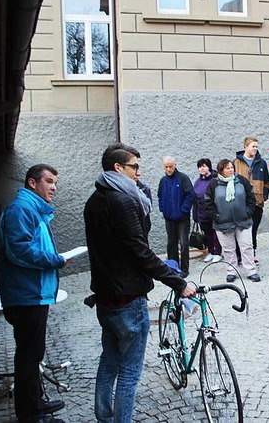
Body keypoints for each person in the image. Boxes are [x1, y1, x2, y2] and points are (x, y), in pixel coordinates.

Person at [84, 145, 196, 423]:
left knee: (109, 360)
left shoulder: (95, 199)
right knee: (130, 371)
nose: (139, 172)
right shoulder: (121, 201)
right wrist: (178, 283)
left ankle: (104, 417)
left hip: (106, 295)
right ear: (118, 168)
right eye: (135, 166)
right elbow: (140, 251)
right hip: (127, 297)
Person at [0, 164, 67, 423]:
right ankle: (30, 415)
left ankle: (37, 404)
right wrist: (54, 260)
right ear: (32, 183)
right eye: (49, 181)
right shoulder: (22, 209)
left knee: (32, 354)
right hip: (26, 295)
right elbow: (18, 250)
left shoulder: (31, 208)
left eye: (55, 183)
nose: (53, 188)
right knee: (28, 357)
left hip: (32, 294)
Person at [205, 159, 261, 282]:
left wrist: (248, 212)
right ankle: (231, 271)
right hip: (223, 223)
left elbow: (251, 197)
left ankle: (251, 271)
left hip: (243, 221)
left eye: (232, 167)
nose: (231, 170)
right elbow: (208, 202)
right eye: (227, 168)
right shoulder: (213, 184)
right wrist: (216, 216)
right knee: (228, 249)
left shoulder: (241, 180)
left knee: (246, 246)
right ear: (221, 170)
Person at [233, 136, 269, 265]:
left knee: (253, 230)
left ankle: (251, 255)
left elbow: (267, 182)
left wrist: (264, 196)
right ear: (245, 147)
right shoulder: (236, 163)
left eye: (256, 146)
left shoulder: (261, 163)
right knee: (240, 229)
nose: (255, 148)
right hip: (240, 203)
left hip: (257, 203)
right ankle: (239, 256)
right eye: (253, 146)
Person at [158, 156, 194, 278]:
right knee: (171, 243)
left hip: (182, 218)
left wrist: (183, 210)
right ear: (163, 167)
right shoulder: (163, 181)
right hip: (169, 218)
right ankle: (173, 267)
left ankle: (185, 268)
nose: (168, 169)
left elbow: (190, 195)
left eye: (171, 166)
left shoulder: (183, 178)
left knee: (184, 244)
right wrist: (163, 210)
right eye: (166, 167)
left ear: (175, 165)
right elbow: (160, 196)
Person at [193, 158, 222, 263]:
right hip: (202, 212)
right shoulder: (197, 182)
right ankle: (210, 251)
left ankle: (217, 252)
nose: (202, 168)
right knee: (207, 233)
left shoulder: (215, 180)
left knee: (216, 232)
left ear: (209, 167)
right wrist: (195, 215)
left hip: (213, 211)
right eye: (200, 167)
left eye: (204, 166)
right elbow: (195, 199)